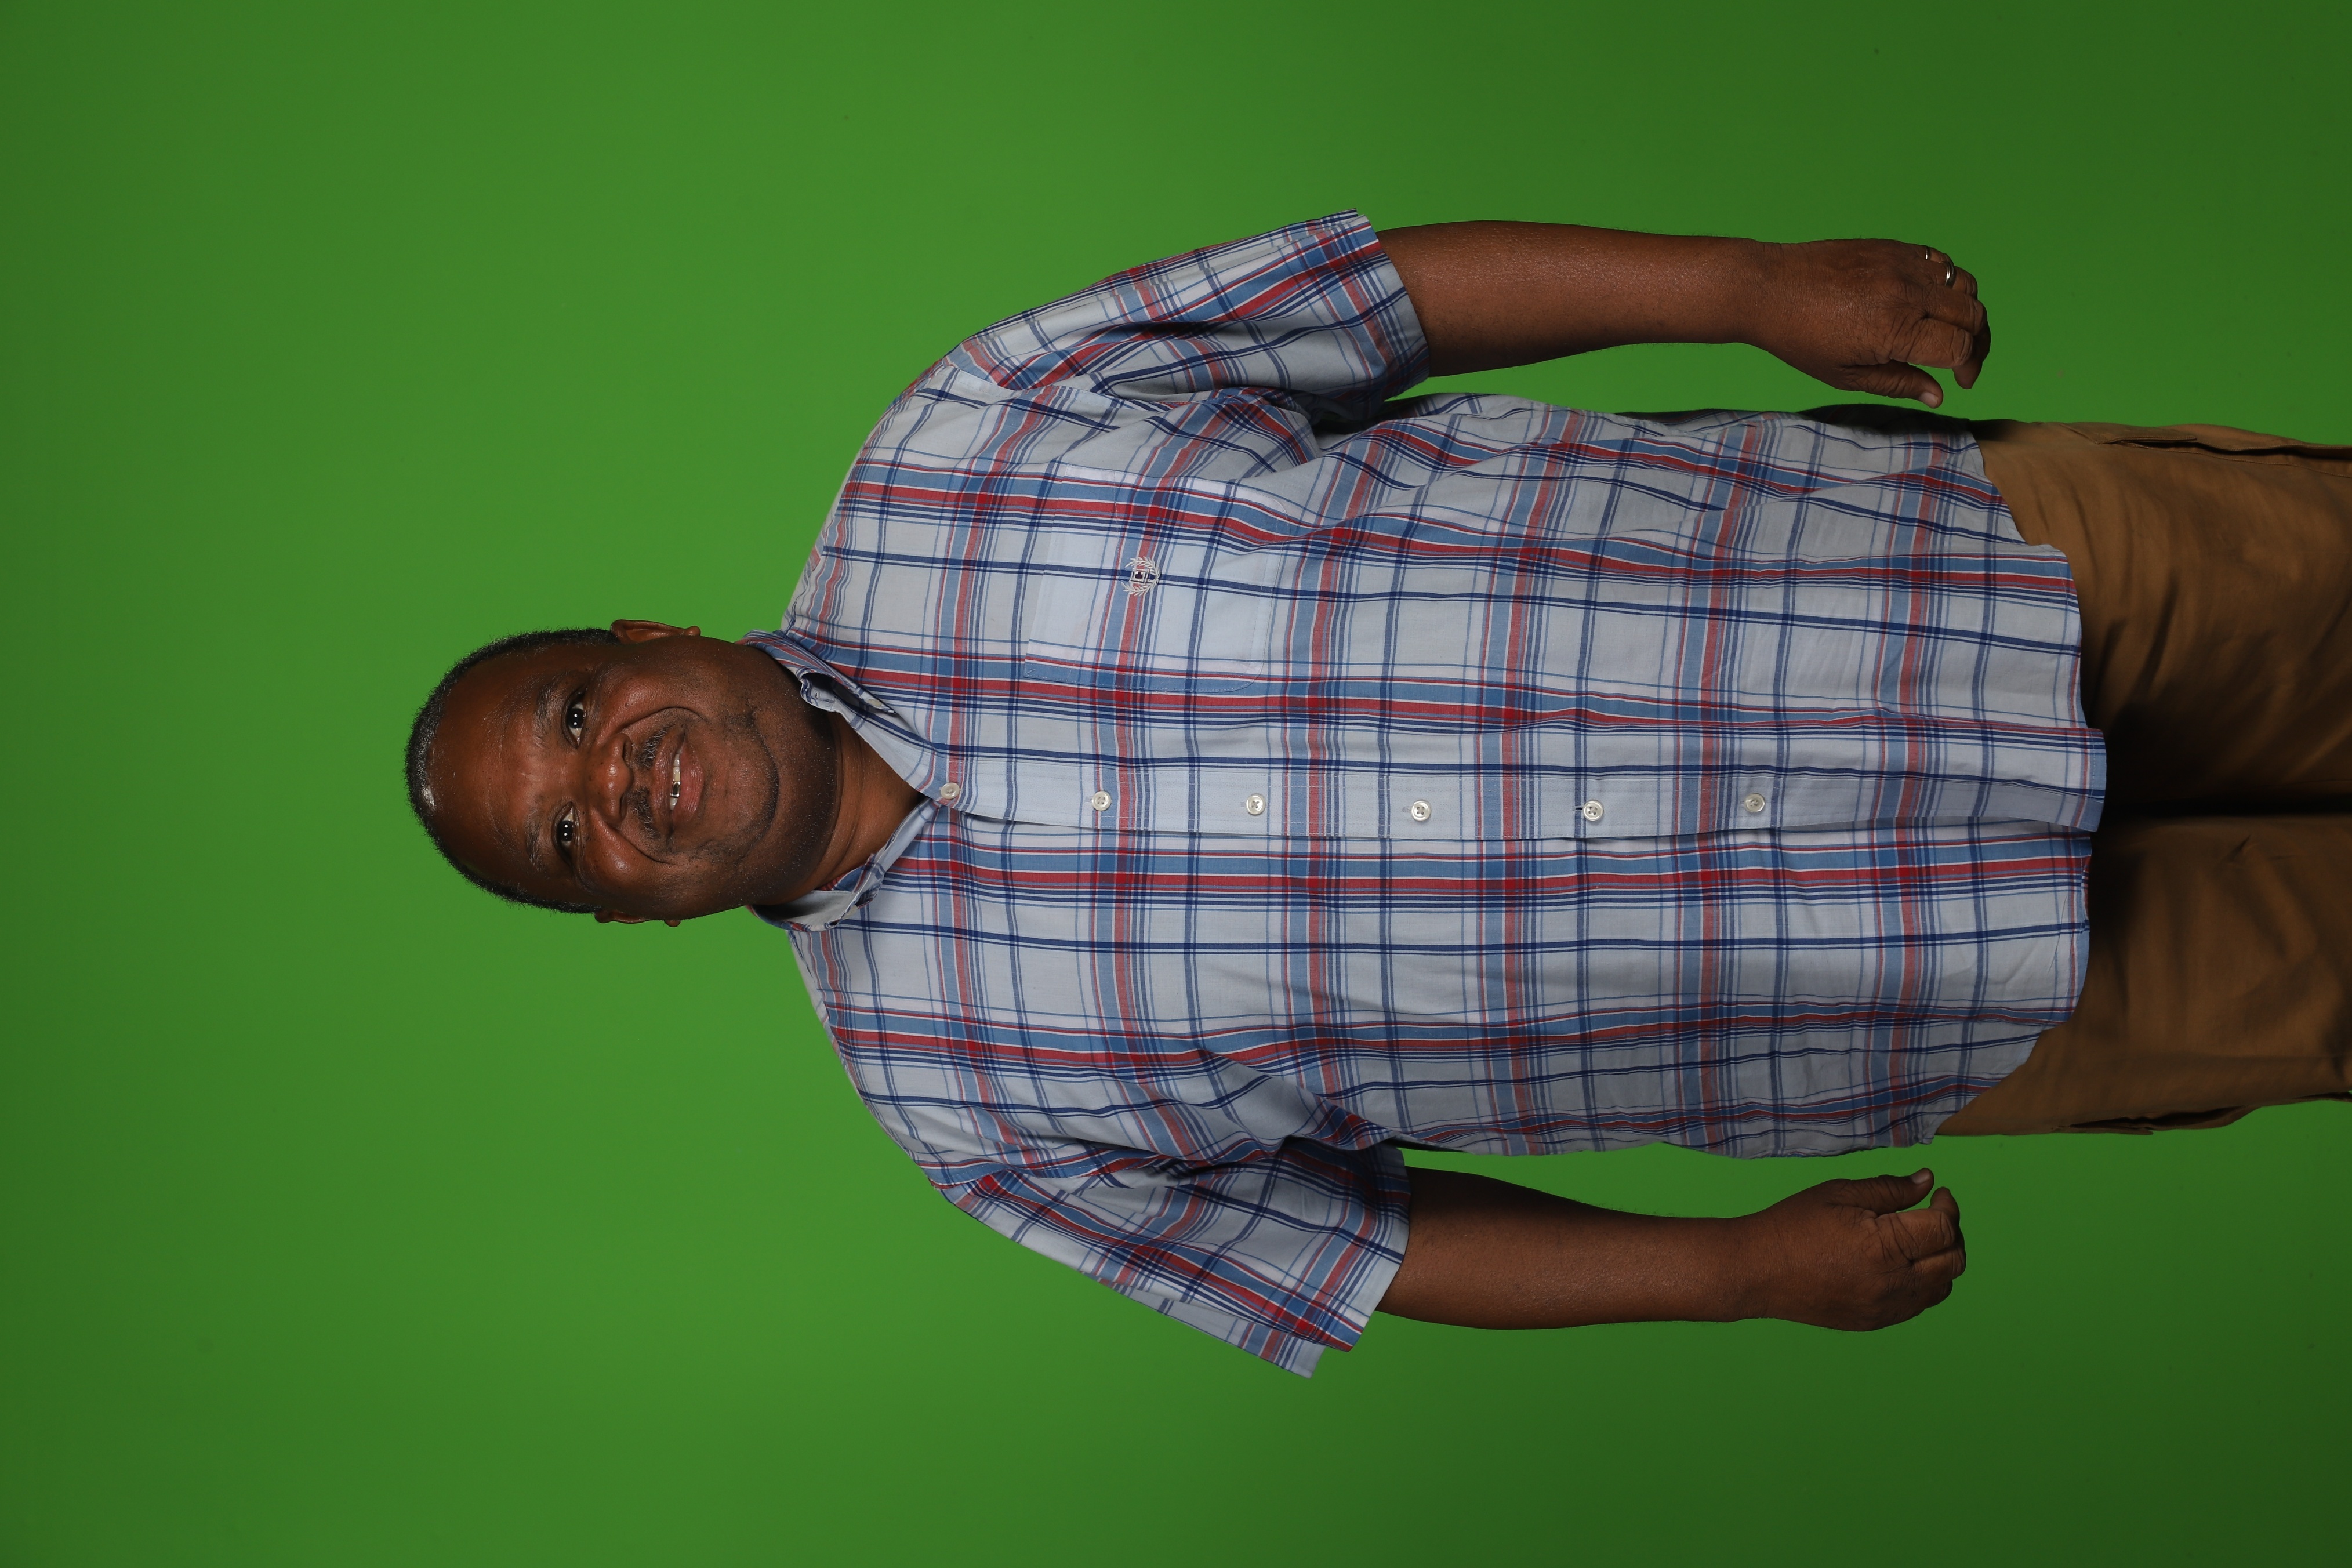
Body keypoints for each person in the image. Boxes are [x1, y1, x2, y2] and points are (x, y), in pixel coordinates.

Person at [406, 214, 2352, 1374]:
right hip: (1938, 989)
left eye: (580, 712)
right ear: (622, 915)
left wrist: (1744, 283)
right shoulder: (961, 1114)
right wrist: (1733, 1272)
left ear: (644, 632)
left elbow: (1381, 297)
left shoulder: (963, 438)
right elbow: (1369, 1250)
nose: (619, 780)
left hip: (1966, 574)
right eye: (570, 836)